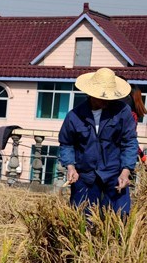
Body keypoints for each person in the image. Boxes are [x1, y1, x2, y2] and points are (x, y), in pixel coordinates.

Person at [58, 67, 139, 216]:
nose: (107, 100)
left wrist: (126, 171)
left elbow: (130, 142)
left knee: (119, 218)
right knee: (81, 220)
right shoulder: (74, 116)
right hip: (85, 176)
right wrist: (71, 167)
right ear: (91, 94)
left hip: (115, 175)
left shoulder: (123, 111)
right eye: (103, 96)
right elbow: (66, 143)